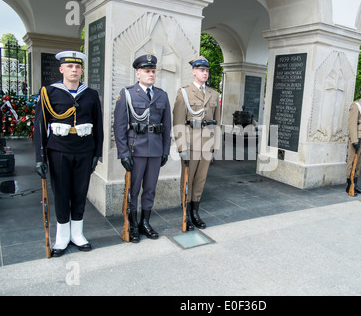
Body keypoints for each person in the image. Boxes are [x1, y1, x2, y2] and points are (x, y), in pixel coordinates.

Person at [34, 51, 104, 257]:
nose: (74, 70)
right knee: (62, 193)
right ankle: (62, 237)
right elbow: (40, 126)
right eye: (70, 67)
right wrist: (40, 158)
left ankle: (78, 234)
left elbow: (98, 125)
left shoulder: (90, 94)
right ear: (61, 69)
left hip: (84, 150)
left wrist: (96, 153)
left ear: (81, 70)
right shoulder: (49, 93)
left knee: (80, 193)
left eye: (78, 67)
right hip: (59, 150)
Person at [113, 54, 171, 243]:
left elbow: (167, 126)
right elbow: (119, 126)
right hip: (134, 149)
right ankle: (132, 223)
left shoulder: (162, 95)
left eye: (153, 71)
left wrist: (165, 150)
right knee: (133, 188)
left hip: (155, 149)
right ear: (138, 73)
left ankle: (145, 223)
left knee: (150, 189)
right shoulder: (128, 94)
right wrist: (123, 153)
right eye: (147, 71)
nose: (151, 74)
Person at [173, 56, 221, 230]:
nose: (205, 73)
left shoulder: (214, 94)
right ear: (194, 71)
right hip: (190, 144)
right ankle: (186, 212)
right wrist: (181, 147)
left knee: (200, 179)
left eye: (207, 70)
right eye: (201, 70)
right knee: (188, 180)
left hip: (207, 144)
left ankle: (195, 212)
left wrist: (216, 145)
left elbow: (217, 121)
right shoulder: (184, 93)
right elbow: (178, 121)